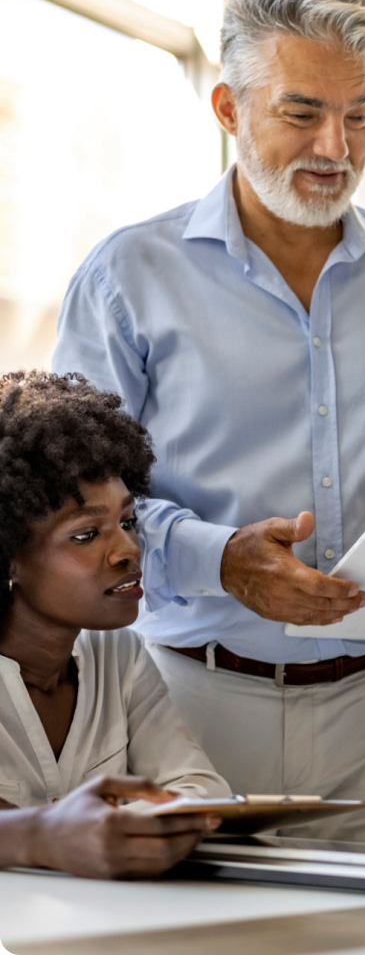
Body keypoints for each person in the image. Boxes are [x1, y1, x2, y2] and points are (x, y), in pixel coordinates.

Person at [51, 0, 365, 845]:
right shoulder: (126, 277)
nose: (336, 145)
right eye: (303, 113)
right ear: (228, 107)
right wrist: (220, 561)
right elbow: (73, 499)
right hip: (186, 705)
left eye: (360, 114)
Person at [0, 371, 229, 879]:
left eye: (127, 522)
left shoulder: (120, 655)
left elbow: (201, 790)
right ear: (9, 557)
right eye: (86, 535)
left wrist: (106, 828)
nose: (128, 550)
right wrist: (43, 834)